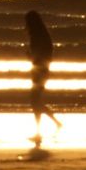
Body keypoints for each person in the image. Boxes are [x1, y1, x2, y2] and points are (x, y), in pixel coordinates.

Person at [25, 10, 61, 145]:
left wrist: (30, 57)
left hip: (39, 70)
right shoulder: (45, 36)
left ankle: (41, 132)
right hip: (43, 70)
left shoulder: (36, 37)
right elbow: (47, 55)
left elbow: (37, 56)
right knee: (36, 101)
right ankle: (51, 126)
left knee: (35, 101)